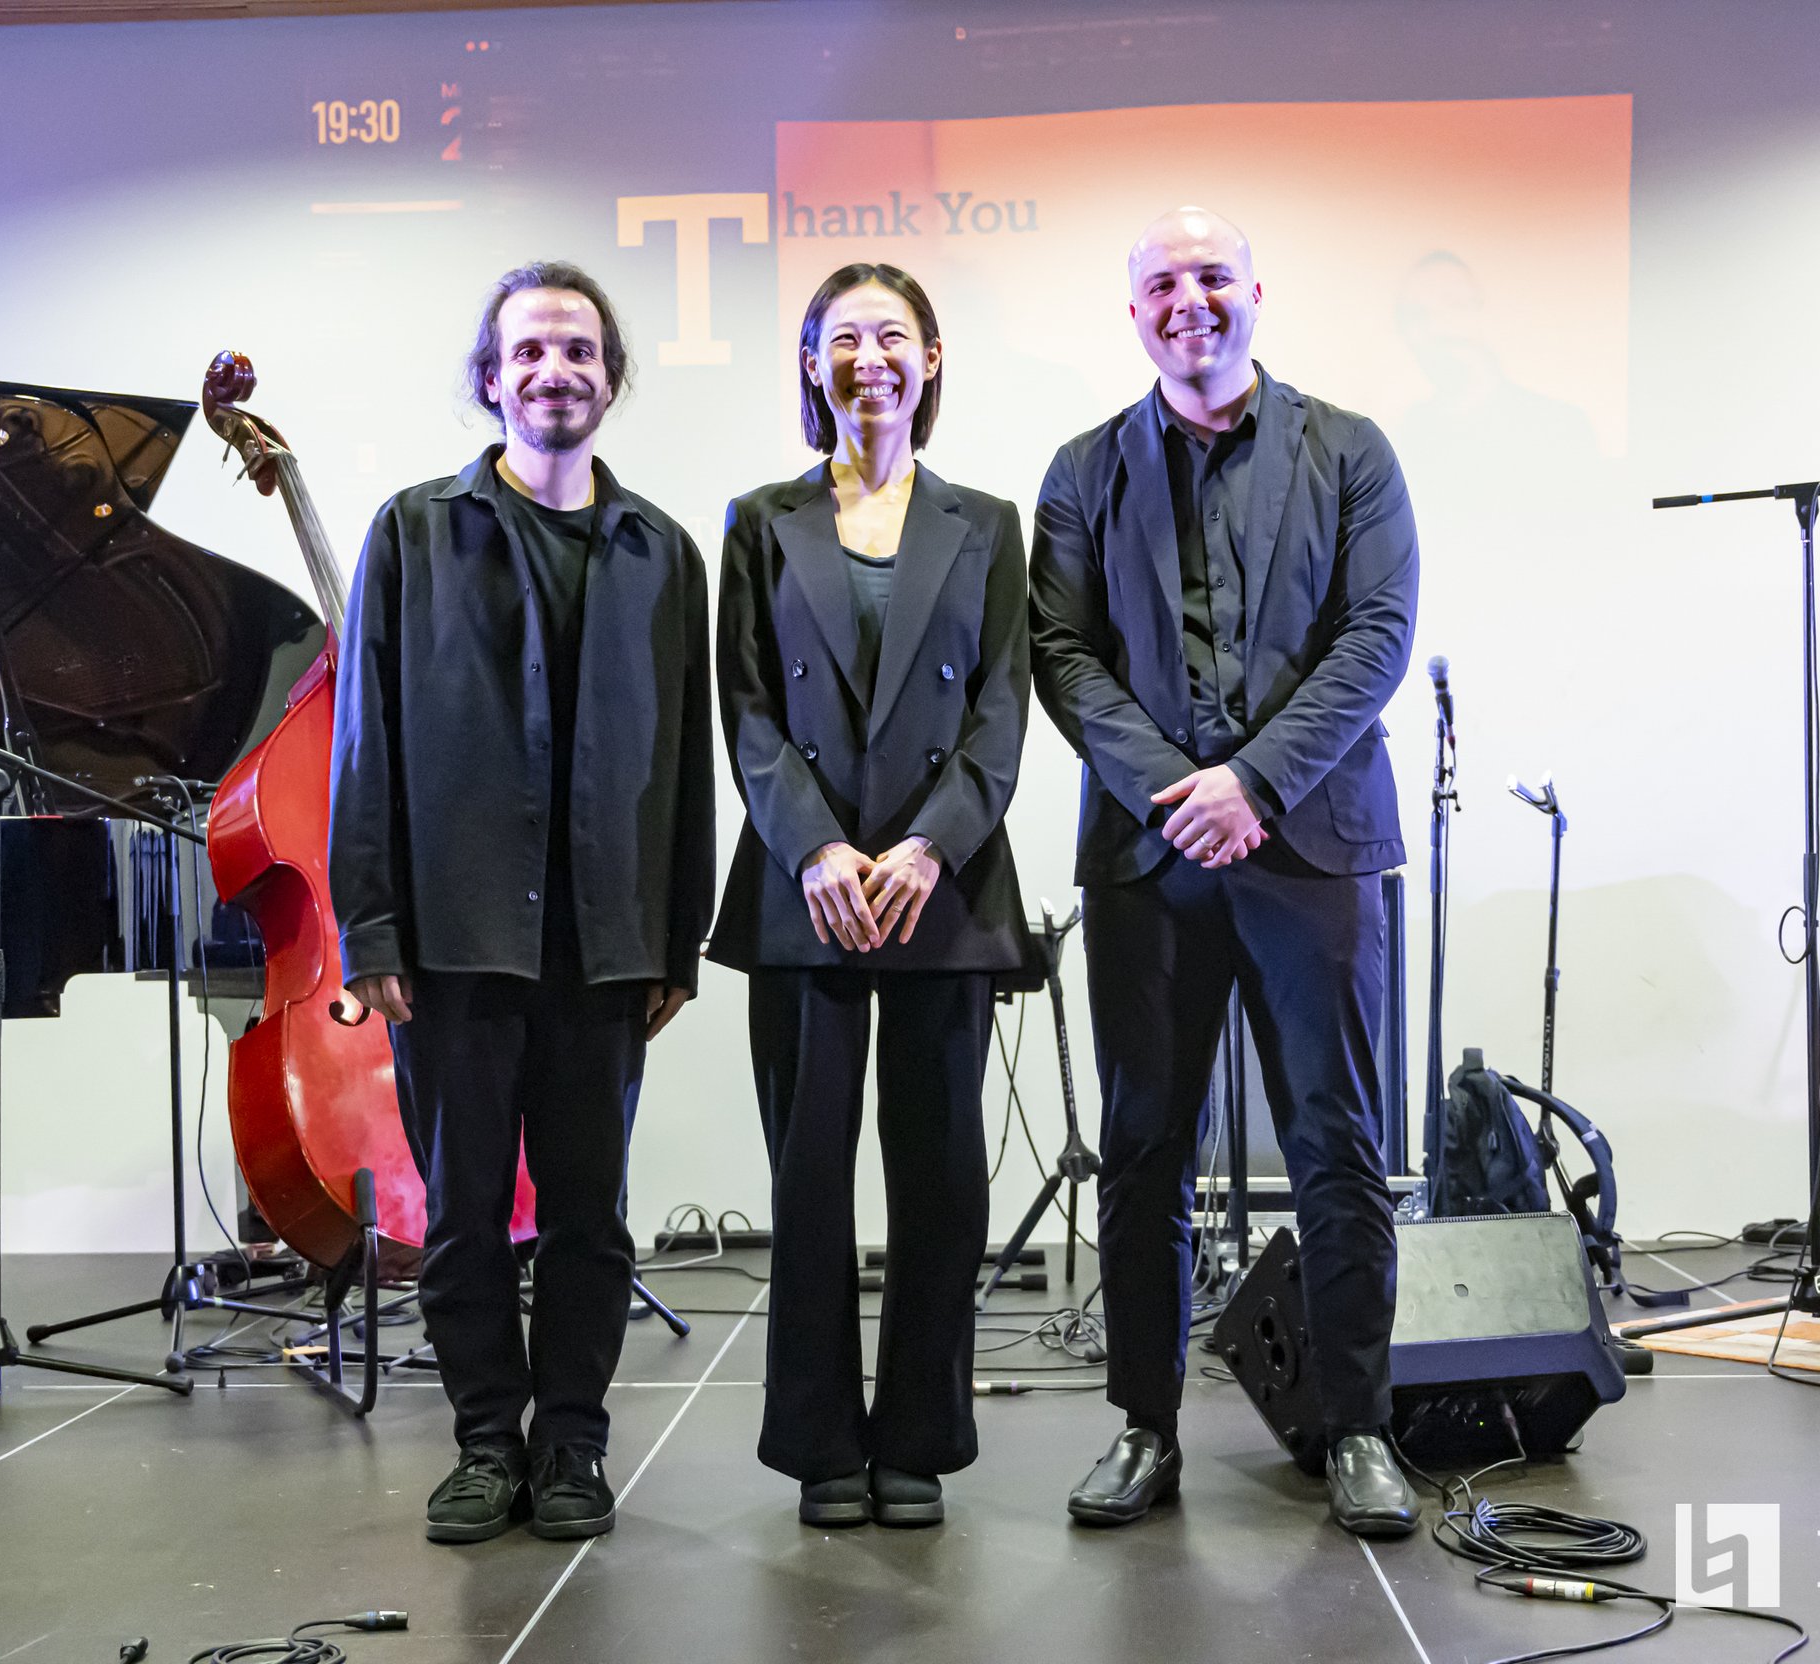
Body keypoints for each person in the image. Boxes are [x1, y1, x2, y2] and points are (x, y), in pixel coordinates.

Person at [1028, 207, 1421, 1537]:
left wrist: (1252, 783)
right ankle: (1145, 1424)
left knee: (1336, 1142)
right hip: (1150, 858)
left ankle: (1357, 1425)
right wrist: (1178, 791)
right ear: (1133, 311)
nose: (1186, 300)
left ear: (1257, 290)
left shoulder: (1349, 450)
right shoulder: (1083, 471)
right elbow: (1062, 654)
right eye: (1161, 283)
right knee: (1143, 1148)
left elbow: (1376, 635)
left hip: (1311, 844)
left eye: (1210, 276)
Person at [329, 260, 714, 1547]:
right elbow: (364, 744)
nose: (557, 371)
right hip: (455, 937)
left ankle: (573, 1444)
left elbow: (687, 759)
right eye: (532, 352)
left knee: (593, 1216)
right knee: (463, 1214)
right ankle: (487, 1441)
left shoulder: (664, 551)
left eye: (580, 352)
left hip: (607, 940)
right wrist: (371, 925)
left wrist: (680, 937)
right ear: (492, 378)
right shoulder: (412, 532)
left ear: (611, 378)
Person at [709, 262, 1032, 1529]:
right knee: (808, 1182)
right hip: (808, 891)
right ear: (812, 364)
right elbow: (746, 710)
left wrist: (927, 848)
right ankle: (817, 1444)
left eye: (892, 336)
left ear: (930, 358)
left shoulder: (986, 522)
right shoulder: (758, 519)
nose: (870, 359)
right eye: (843, 338)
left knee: (941, 1179)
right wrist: (817, 851)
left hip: (942, 890)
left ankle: (919, 1439)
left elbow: (1001, 710)